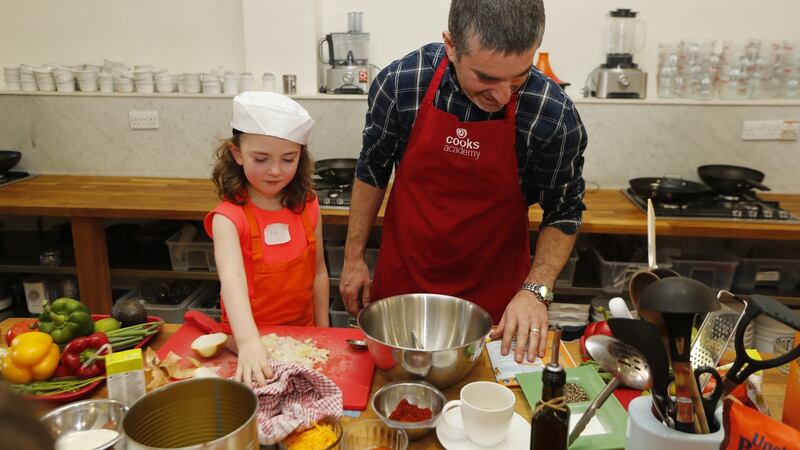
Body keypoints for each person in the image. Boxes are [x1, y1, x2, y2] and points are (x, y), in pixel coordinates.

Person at [340, 0, 587, 363]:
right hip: (403, 294)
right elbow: (372, 168)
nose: (502, 95)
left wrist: (536, 291)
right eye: (486, 78)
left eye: (518, 77)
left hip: (497, 304)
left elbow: (564, 210)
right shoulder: (402, 84)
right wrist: (353, 258)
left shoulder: (551, 115)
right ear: (451, 46)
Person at [205, 92, 329, 387]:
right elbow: (232, 279)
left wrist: (325, 332)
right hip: (247, 343)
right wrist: (248, 342)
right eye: (261, 159)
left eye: (288, 159)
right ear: (237, 153)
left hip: (303, 341)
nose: (275, 170)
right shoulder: (228, 218)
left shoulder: (309, 205)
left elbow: (319, 272)